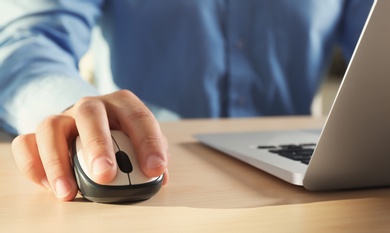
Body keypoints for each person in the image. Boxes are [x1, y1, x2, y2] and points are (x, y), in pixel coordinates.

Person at [0, 0, 373, 201]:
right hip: (159, 161)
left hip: (300, 182)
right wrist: (73, 109)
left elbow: (377, 42)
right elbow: (26, 40)